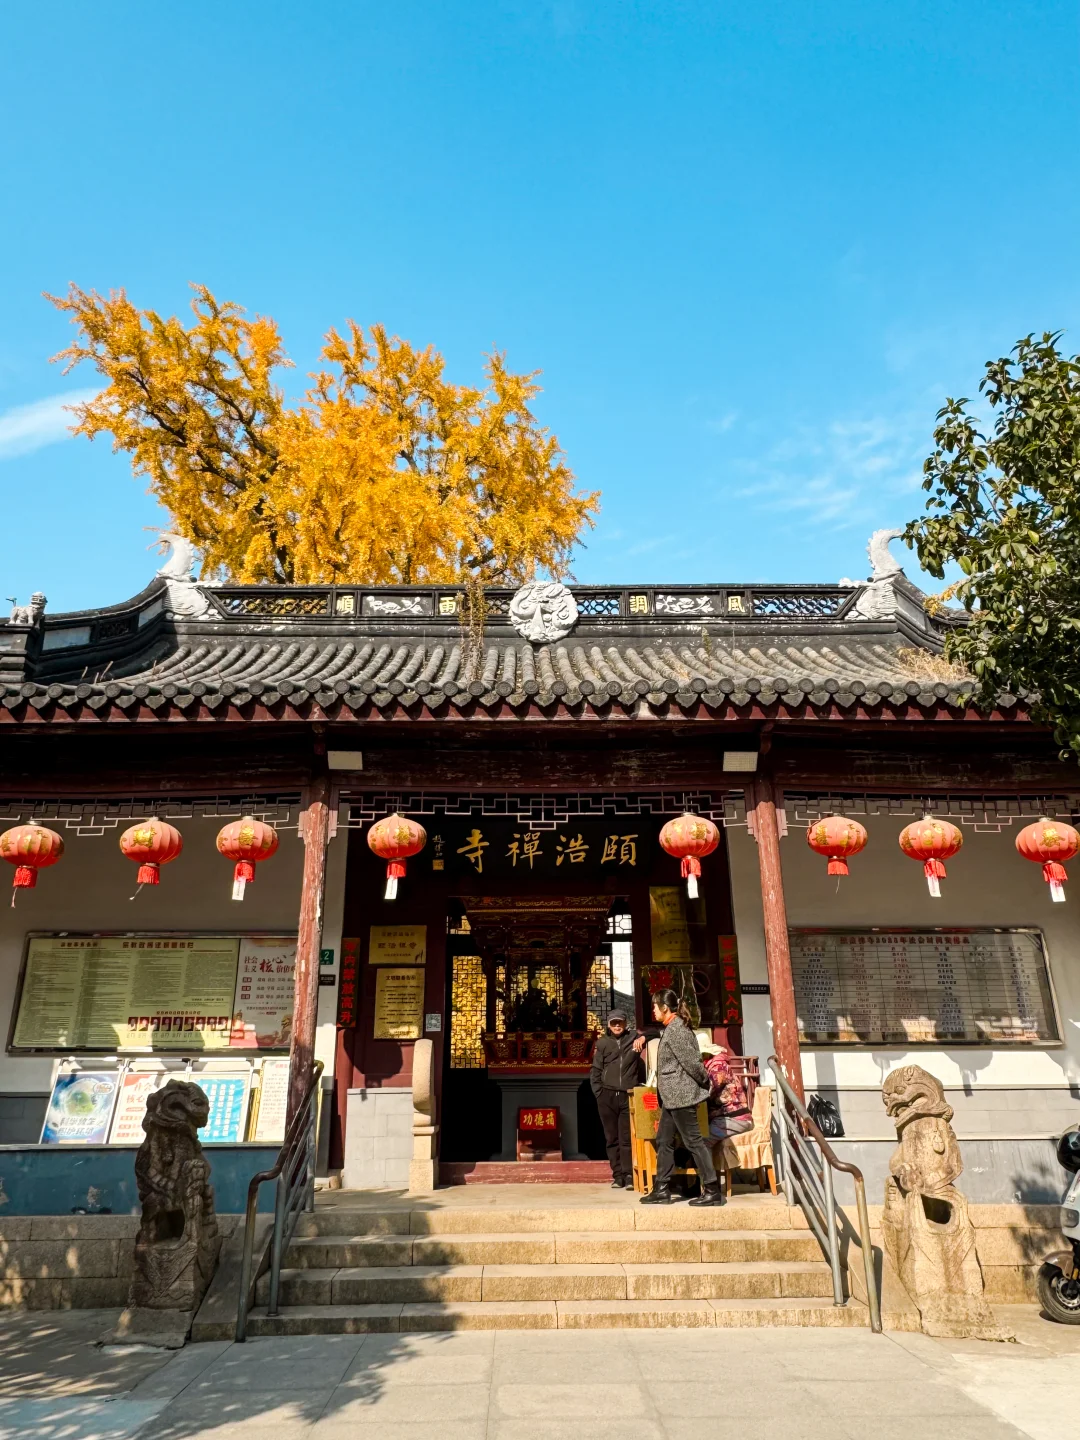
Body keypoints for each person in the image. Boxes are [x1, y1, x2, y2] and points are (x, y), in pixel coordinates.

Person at [640, 988, 724, 1207]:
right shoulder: (671, 1028)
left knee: (693, 1141)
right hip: (672, 1097)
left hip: (681, 1095)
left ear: (665, 1008)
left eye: (655, 1006)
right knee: (664, 1140)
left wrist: (704, 1081)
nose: (653, 1010)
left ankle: (712, 1189)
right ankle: (662, 1189)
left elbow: (692, 1063)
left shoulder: (677, 1029)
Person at [590, 1009, 645, 1187]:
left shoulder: (633, 1037)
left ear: (625, 1023)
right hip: (607, 1096)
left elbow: (656, 1032)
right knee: (611, 1138)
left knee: (626, 1137)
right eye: (613, 1023)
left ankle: (629, 1175)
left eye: (619, 1022)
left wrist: (643, 1038)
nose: (616, 1026)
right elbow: (596, 1070)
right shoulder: (603, 1043)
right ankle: (618, 1175)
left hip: (627, 1095)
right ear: (608, 1025)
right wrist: (599, 1093)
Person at [701, 1043, 753, 1140]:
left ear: (705, 1054)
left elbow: (709, 1090)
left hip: (734, 1118)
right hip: (732, 1118)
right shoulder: (714, 1065)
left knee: (701, 1142)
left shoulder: (717, 1067)